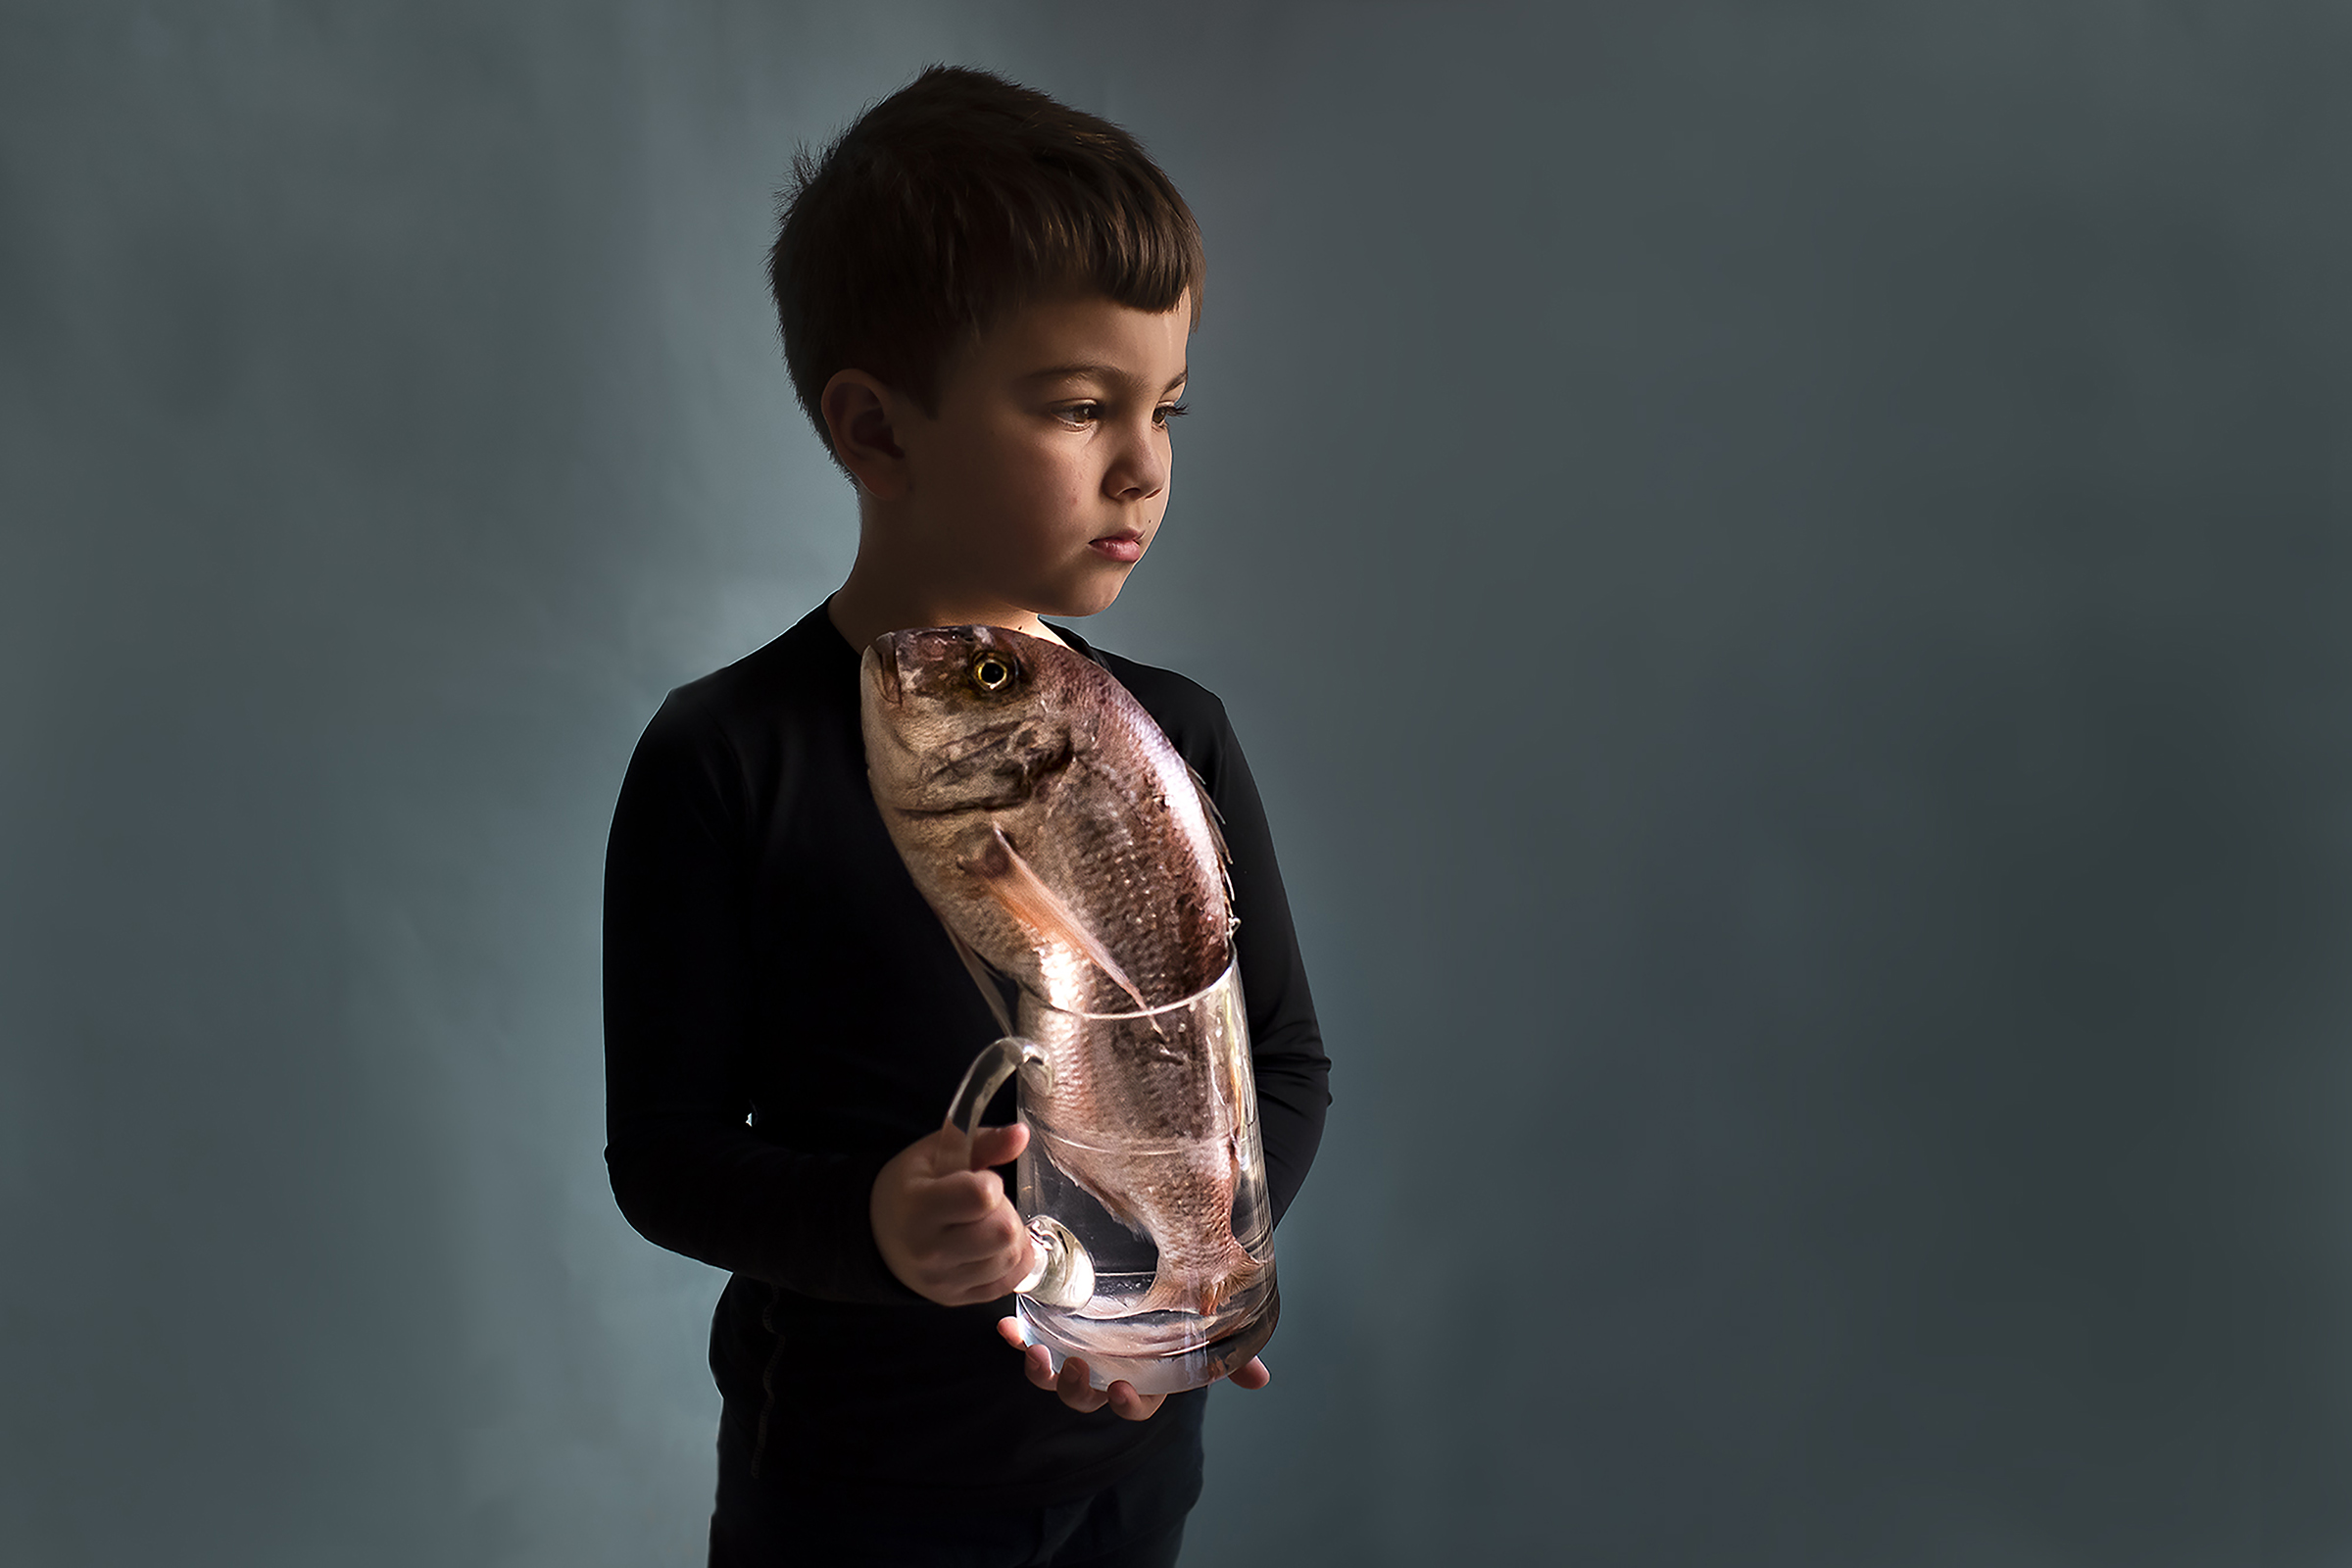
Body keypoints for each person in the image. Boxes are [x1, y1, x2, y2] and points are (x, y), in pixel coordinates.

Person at [603, 65, 1330, 1567]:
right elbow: (666, 1156)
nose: (1144, 465)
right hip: (849, 1487)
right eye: (1079, 407)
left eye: (1164, 409)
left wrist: (1182, 1296)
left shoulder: (1179, 733)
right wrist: (874, 1223)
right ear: (876, 431)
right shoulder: (721, 756)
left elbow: (1279, 1064)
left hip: (1132, 1470)